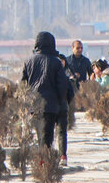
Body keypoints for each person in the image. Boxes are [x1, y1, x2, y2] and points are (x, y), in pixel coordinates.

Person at [21, 31, 73, 162]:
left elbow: (23, 85)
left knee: (40, 136)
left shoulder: (28, 61)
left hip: (34, 105)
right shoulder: (55, 62)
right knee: (47, 138)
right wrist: (61, 101)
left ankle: (43, 163)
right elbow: (62, 85)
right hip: (50, 105)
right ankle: (44, 165)